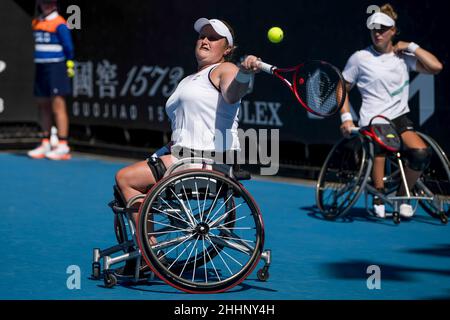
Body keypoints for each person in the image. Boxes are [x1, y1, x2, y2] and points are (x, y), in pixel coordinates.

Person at [113, 18, 261, 275]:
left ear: (227, 49)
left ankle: (150, 251)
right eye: (202, 36)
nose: (205, 40)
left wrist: (245, 72)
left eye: (213, 38)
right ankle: (149, 246)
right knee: (131, 185)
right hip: (183, 157)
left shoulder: (225, 69)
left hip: (204, 162)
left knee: (125, 178)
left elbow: (233, 93)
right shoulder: (191, 79)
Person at [340, 4, 443, 218]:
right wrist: (347, 118)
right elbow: (342, 88)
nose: (378, 33)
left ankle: (403, 192)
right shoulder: (360, 58)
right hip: (373, 119)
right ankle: (378, 193)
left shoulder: (402, 57)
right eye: (374, 29)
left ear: (393, 31)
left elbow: (436, 67)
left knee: (421, 153)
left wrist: (411, 47)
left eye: (383, 29)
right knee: (383, 143)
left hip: (399, 118)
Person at [28, 0, 74, 160]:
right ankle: (45, 141)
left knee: (58, 106)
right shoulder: (37, 22)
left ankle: (62, 145)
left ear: (55, 4)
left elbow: (69, 48)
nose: (47, 6)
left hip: (56, 68)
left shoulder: (60, 23)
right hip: (41, 68)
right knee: (43, 105)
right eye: (43, 3)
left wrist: (68, 64)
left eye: (50, 3)